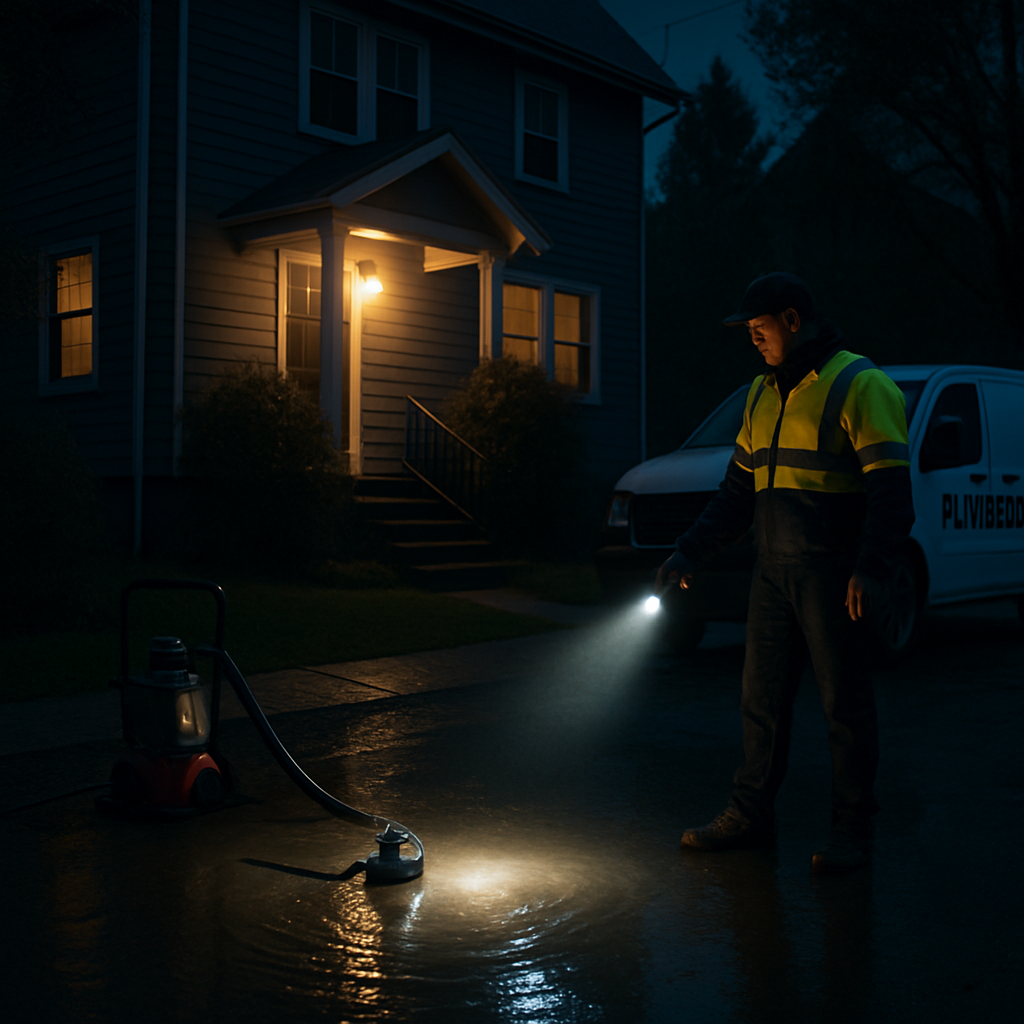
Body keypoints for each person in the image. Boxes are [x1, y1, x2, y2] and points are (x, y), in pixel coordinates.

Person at [657, 272, 914, 873]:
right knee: (761, 702)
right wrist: (689, 550)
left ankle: (853, 833)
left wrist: (871, 568)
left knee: (844, 707)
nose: (753, 340)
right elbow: (737, 491)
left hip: (834, 575)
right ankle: (750, 816)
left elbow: (892, 493)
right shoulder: (760, 393)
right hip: (773, 574)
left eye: (760, 328)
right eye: (749, 331)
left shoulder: (860, 383)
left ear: (794, 320)